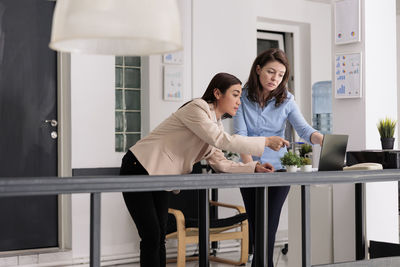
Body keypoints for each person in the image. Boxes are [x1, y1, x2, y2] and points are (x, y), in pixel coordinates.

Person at [119, 72, 289, 267]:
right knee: (151, 235)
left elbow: (222, 164)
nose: (238, 102)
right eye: (234, 95)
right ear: (217, 93)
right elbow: (221, 140)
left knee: (159, 236)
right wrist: (266, 141)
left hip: (161, 176)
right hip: (138, 166)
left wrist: (254, 167)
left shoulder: (213, 125)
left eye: (240, 97)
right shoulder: (197, 108)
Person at [233, 48, 324, 267]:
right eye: (270, 72)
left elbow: (304, 130)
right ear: (258, 70)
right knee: (256, 227)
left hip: (278, 172)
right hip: (250, 170)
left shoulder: (287, 100)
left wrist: (324, 140)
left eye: (280, 74)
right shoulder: (241, 98)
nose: (275, 78)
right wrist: (251, 166)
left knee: (269, 225)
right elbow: (240, 137)